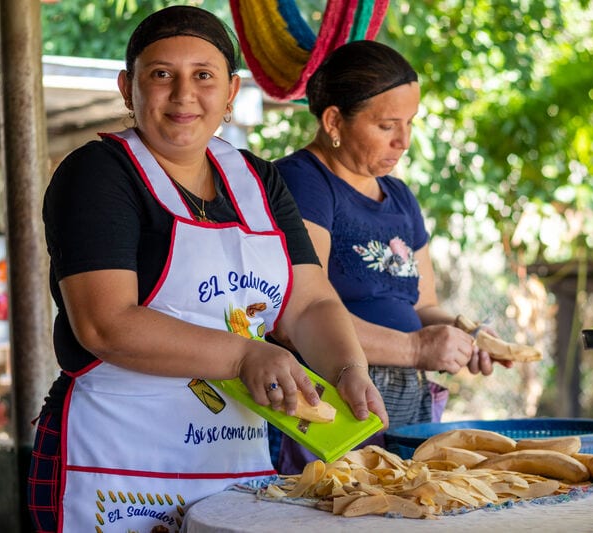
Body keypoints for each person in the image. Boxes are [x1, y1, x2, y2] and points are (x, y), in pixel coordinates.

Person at [26, 6, 387, 532]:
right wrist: (245, 353)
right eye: (161, 75)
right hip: (116, 462)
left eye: (203, 76)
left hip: (230, 464)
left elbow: (310, 301)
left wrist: (348, 370)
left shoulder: (260, 181)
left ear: (231, 91)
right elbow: (105, 323)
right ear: (128, 88)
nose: (183, 95)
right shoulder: (98, 173)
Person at [271, 40, 512, 474]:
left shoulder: (399, 196)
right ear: (333, 121)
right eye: (387, 126)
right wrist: (416, 348)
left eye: (410, 123)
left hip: (405, 401)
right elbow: (296, 315)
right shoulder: (303, 183)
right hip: (332, 404)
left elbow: (421, 307)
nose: (404, 141)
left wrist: (465, 334)